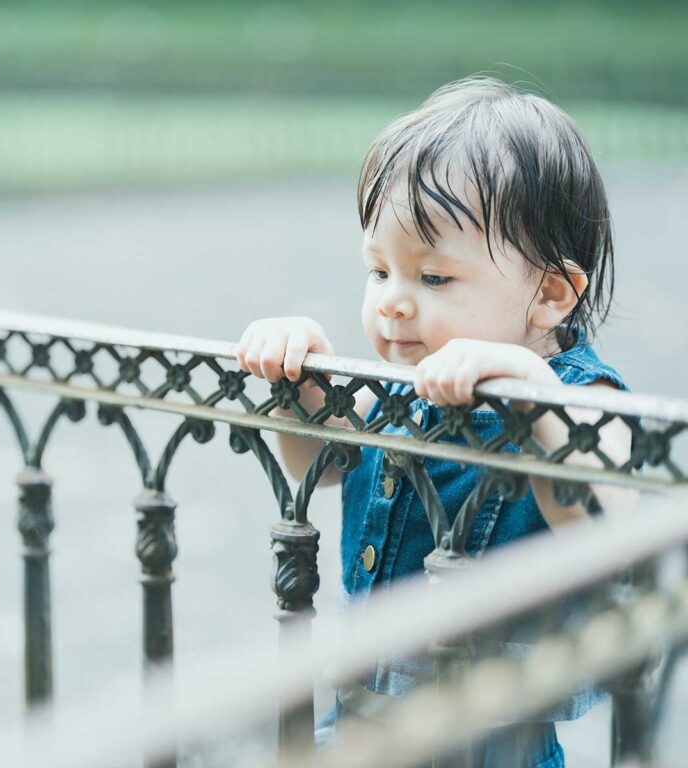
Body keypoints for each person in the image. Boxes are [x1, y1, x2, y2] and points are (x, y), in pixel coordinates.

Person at [235, 76, 632, 768]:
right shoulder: (405, 386)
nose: (392, 303)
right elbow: (319, 464)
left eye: (433, 278)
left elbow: (613, 520)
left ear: (550, 294)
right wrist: (297, 382)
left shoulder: (577, 395)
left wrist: (533, 393)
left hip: (489, 744)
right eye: (379, 272)